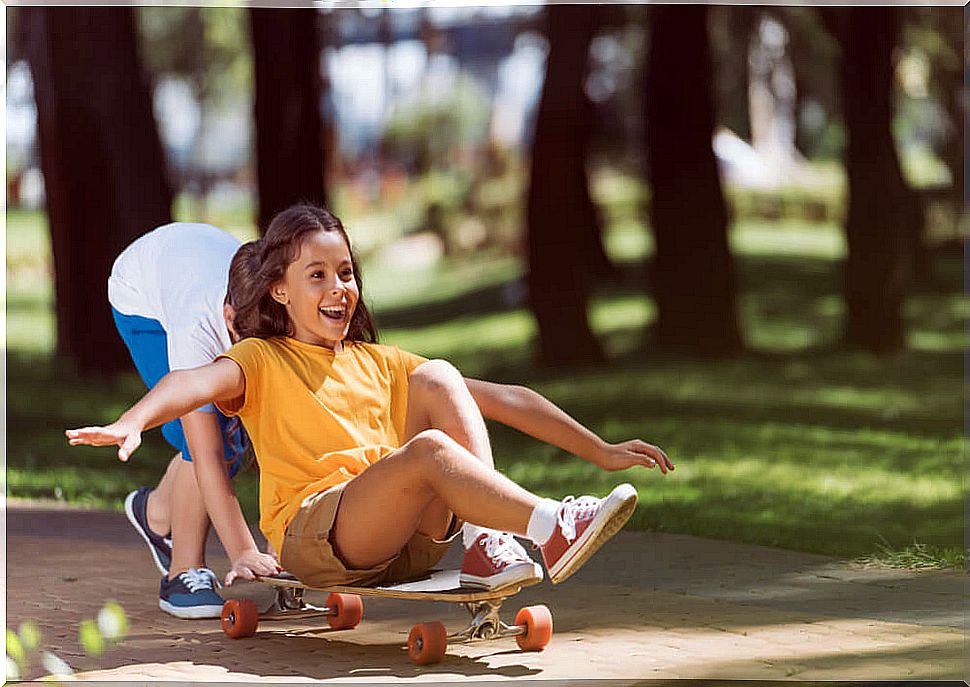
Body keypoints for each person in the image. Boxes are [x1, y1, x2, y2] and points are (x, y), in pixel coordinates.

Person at [69, 204, 674, 593]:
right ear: (278, 291)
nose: (338, 289)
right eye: (317, 276)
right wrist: (135, 420)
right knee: (422, 450)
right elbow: (189, 388)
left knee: (440, 377)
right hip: (316, 537)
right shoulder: (256, 358)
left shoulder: (373, 360)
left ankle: (486, 543)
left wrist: (602, 451)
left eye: (346, 273)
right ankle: (550, 525)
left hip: (394, 538)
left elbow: (505, 398)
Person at [106, 223, 280, 619]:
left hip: (191, 257)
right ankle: (182, 573)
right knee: (214, 434)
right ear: (229, 317)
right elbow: (205, 452)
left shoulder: (283, 317)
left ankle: (156, 513)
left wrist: (281, 538)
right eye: (247, 341)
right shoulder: (196, 328)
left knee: (240, 435)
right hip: (141, 296)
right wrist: (244, 552)